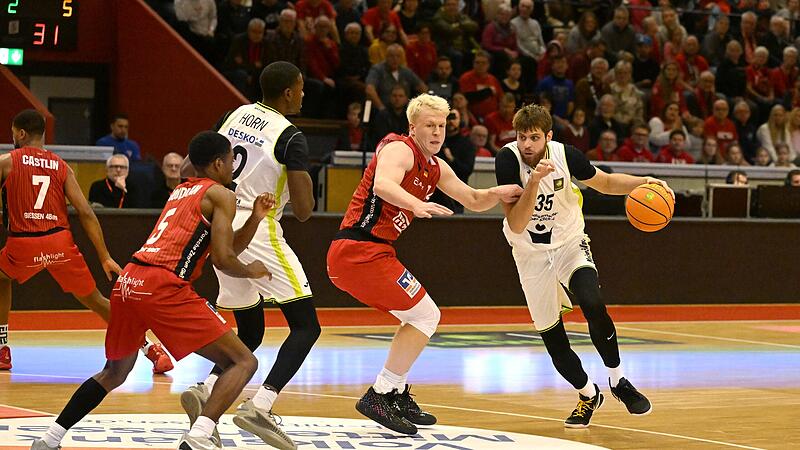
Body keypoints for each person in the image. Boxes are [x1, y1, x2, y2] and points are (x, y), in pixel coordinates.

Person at [30, 131, 275, 450]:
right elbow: (223, 258)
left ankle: (49, 439)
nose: (232, 167)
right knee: (243, 362)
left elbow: (222, 247)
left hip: (130, 281)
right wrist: (251, 270)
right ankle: (199, 438)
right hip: (163, 285)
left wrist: (255, 219)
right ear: (217, 164)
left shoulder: (182, 190)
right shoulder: (221, 194)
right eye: (230, 161)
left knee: (115, 372)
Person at [326, 93, 522, 435]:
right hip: (357, 250)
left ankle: (394, 392)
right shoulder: (399, 149)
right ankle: (381, 393)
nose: (436, 132)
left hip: (375, 253)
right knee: (426, 314)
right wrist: (416, 205)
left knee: (419, 317)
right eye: (429, 125)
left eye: (442, 126)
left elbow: (473, 199)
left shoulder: (436, 166)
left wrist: (498, 192)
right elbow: (384, 185)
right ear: (412, 127)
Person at [495, 104, 671, 428]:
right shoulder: (508, 161)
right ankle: (588, 394)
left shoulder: (565, 155)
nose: (528, 145)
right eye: (522, 137)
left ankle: (618, 381)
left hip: (568, 242)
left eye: (534, 137)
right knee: (554, 341)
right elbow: (517, 223)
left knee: (593, 301)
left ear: (548, 136)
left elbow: (604, 182)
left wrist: (647, 181)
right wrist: (533, 182)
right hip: (530, 254)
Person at [181, 61, 318, 450]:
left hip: (220, 218)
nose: (304, 95)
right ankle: (261, 405)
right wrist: (301, 173)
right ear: (289, 92)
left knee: (251, 331)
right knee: (306, 326)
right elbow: (305, 210)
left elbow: (202, 161)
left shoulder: (234, 113)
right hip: (259, 225)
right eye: (301, 88)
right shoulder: (291, 137)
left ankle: (208, 389)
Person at [0, 110, 171, 374]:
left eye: (13, 134)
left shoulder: (7, 161)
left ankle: (2, 349)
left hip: (24, 243)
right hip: (59, 244)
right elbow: (86, 213)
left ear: (21, 133)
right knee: (95, 300)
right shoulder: (62, 166)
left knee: (1, 278)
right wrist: (104, 255)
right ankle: (151, 349)